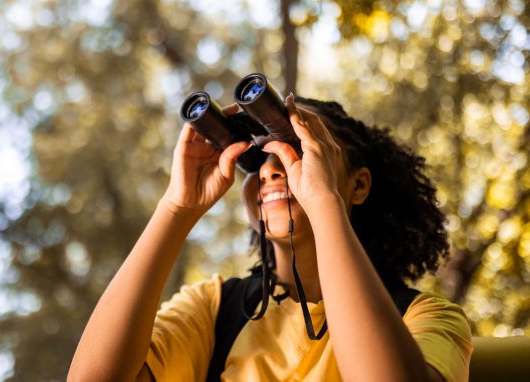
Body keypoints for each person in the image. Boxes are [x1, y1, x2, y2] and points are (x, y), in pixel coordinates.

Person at [68, 93, 473, 381]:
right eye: (256, 159)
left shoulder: (425, 317)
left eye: (295, 150)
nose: (268, 169)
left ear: (358, 185)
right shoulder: (215, 309)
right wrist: (177, 208)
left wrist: (323, 199)